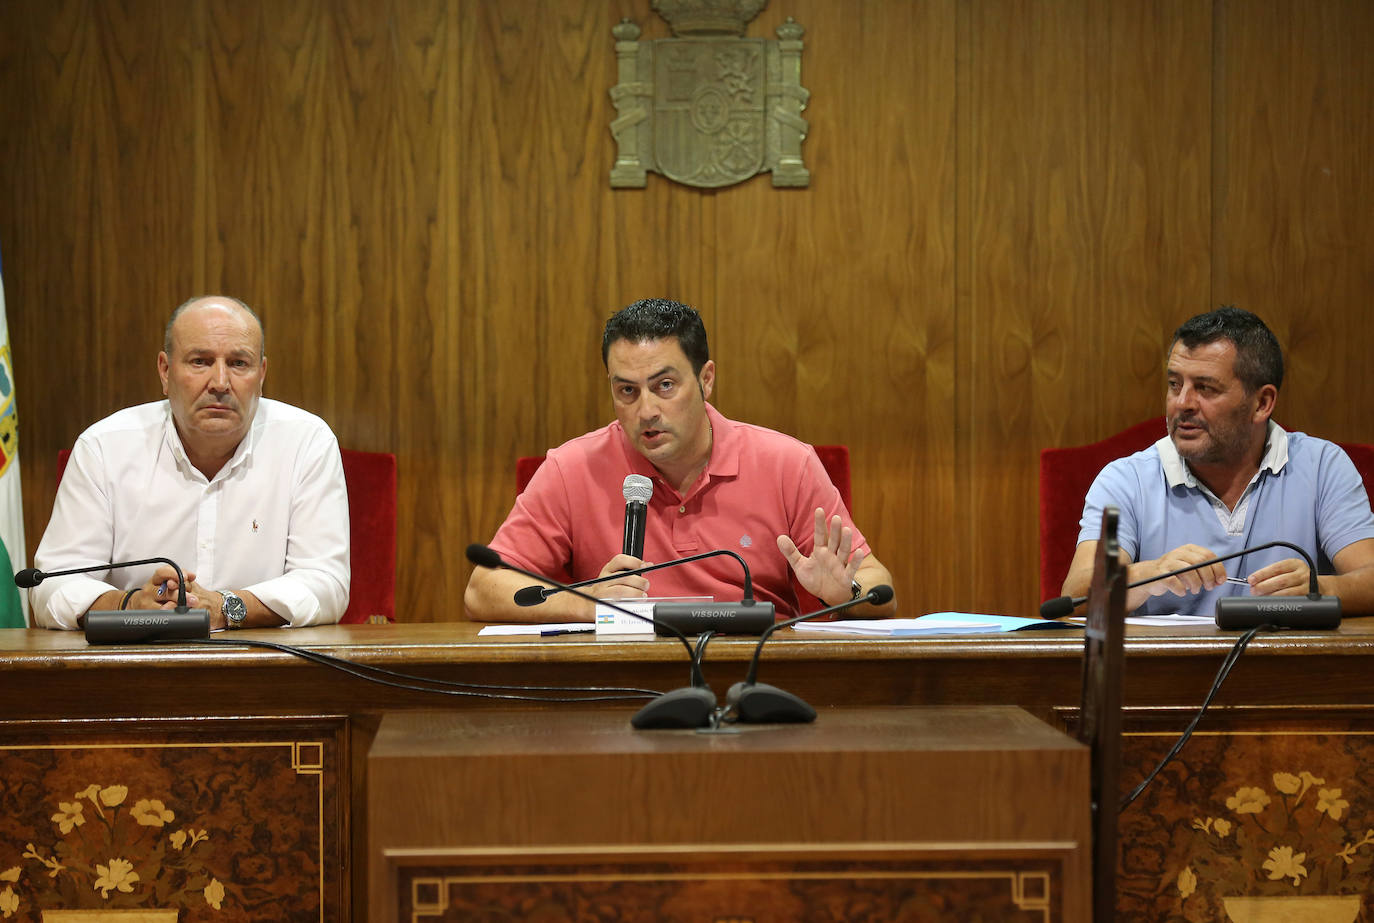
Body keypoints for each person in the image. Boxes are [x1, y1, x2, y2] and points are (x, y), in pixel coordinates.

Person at [465, 298, 896, 623]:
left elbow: (881, 589)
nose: (646, 410)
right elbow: (484, 589)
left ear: (706, 379)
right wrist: (588, 603)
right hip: (619, 690)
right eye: (627, 391)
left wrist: (846, 592)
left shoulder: (787, 463)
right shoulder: (572, 468)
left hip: (758, 676)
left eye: (665, 385)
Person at [31, 296, 350, 630]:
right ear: (165, 371)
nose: (220, 383)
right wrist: (131, 605)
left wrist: (227, 607)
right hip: (134, 669)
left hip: (264, 671)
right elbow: (50, 586)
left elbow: (326, 583)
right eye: (200, 361)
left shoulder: (307, 442)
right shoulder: (104, 447)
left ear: (262, 374)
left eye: (239, 363)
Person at [1063, 306, 1374, 615]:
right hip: (1168, 665)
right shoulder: (1125, 481)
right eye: (1174, 384)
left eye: (1205, 388)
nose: (1182, 403)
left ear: (1261, 403)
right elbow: (1075, 599)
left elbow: (1369, 577)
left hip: (1288, 663)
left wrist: (1322, 589)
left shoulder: (1321, 467)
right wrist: (1148, 575)